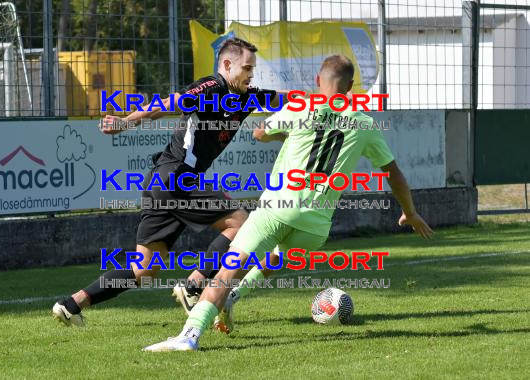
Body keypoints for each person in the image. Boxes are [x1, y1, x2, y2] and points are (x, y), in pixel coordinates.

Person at [143, 54, 434, 351]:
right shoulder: (364, 123)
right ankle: (233, 298)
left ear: (318, 81)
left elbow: (261, 133)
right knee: (277, 256)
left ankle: (189, 336)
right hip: (316, 226)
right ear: (350, 88)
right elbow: (393, 173)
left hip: (277, 208)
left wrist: (287, 135)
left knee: (228, 271)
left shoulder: (301, 108)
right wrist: (409, 212)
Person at [52, 37, 289, 326]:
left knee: (145, 270)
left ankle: (72, 304)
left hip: (161, 182)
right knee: (239, 222)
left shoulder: (247, 96)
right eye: (247, 68)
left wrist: (332, 99)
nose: (251, 74)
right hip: (177, 177)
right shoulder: (211, 87)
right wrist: (126, 122)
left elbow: (286, 98)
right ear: (227, 65)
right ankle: (193, 285)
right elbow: (165, 105)